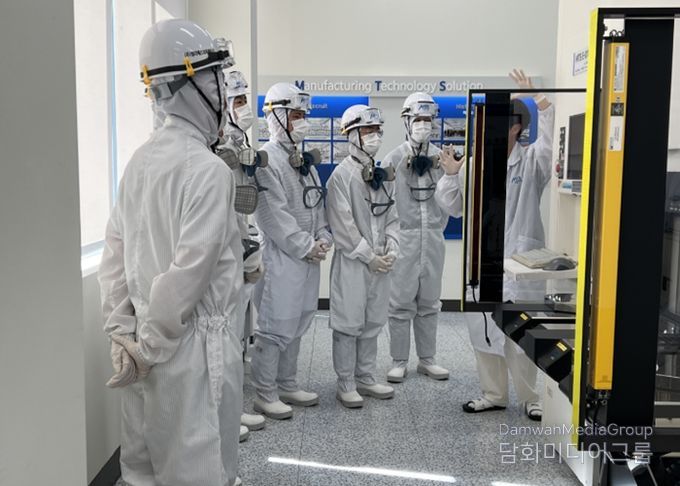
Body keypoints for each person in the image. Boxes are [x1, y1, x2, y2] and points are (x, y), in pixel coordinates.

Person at [99, 19, 244, 486]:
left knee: (141, 470)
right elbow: (187, 276)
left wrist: (123, 335)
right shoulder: (207, 170)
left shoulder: (138, 162)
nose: (223, 90)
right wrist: (150, 347)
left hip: (142, 350)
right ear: (190, 83)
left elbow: (114, 258)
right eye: (216, 77)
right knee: (199, 470)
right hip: (190, 354)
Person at [435, 69, 553, 421]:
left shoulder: (531, 161)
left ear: (515, 127)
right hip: (481, 262)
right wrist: (451, 174)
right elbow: (452, 206)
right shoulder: (474, 163)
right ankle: (493, 394)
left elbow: (551, 143)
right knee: (483, 330)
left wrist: (539, 98)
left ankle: (531, 398)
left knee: (522, 333)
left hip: (518, 262)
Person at [250, 82, 332, 419]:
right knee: (275, 326)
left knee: (299, 321)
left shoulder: (303, 162)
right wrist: (306, 245)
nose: (302, 121)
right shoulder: (266, 161)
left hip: (308, 257)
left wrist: (323, 236)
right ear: (276, 117)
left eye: (303, 114)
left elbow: (316, 204)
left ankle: (287, 383)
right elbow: (272, 216)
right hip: (281, 257)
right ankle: (265, 393)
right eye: (295, 114)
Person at [326, 104, 399, 408]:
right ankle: (345, 382)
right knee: (348, 324)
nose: (374, 136)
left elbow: (392, 216)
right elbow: (343, 226)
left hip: (380, 263)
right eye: (368, 130)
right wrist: (369, 256)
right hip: (354, 264)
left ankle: (366, 377)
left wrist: (392, 246)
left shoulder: (383, 175)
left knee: (373, 322)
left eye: (377, 130)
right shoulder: (340, 177)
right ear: (351, 134)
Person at [382, 92, 450, 383]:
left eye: (427, 119)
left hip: (433, 237)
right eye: (418, 119)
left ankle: (427, 359)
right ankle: (399, 361)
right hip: (404, 238)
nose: (423, 124)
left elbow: (451, 199)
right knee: (400, 303)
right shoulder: (394, 159)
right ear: (407, 121)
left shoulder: (442, 158)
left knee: (430, 302)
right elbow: (385, 203)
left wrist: (435, 228)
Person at [218, 70, 267, 439]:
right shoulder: (217, 149)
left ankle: (232, 409)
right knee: (223, 342)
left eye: (244, 99)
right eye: (236, 100)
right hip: (224, 258)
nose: (244, 107)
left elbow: (244, 204)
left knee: (237, 340)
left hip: (242, 250)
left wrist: (250, 247)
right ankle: (222, 416)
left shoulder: (239, 143)